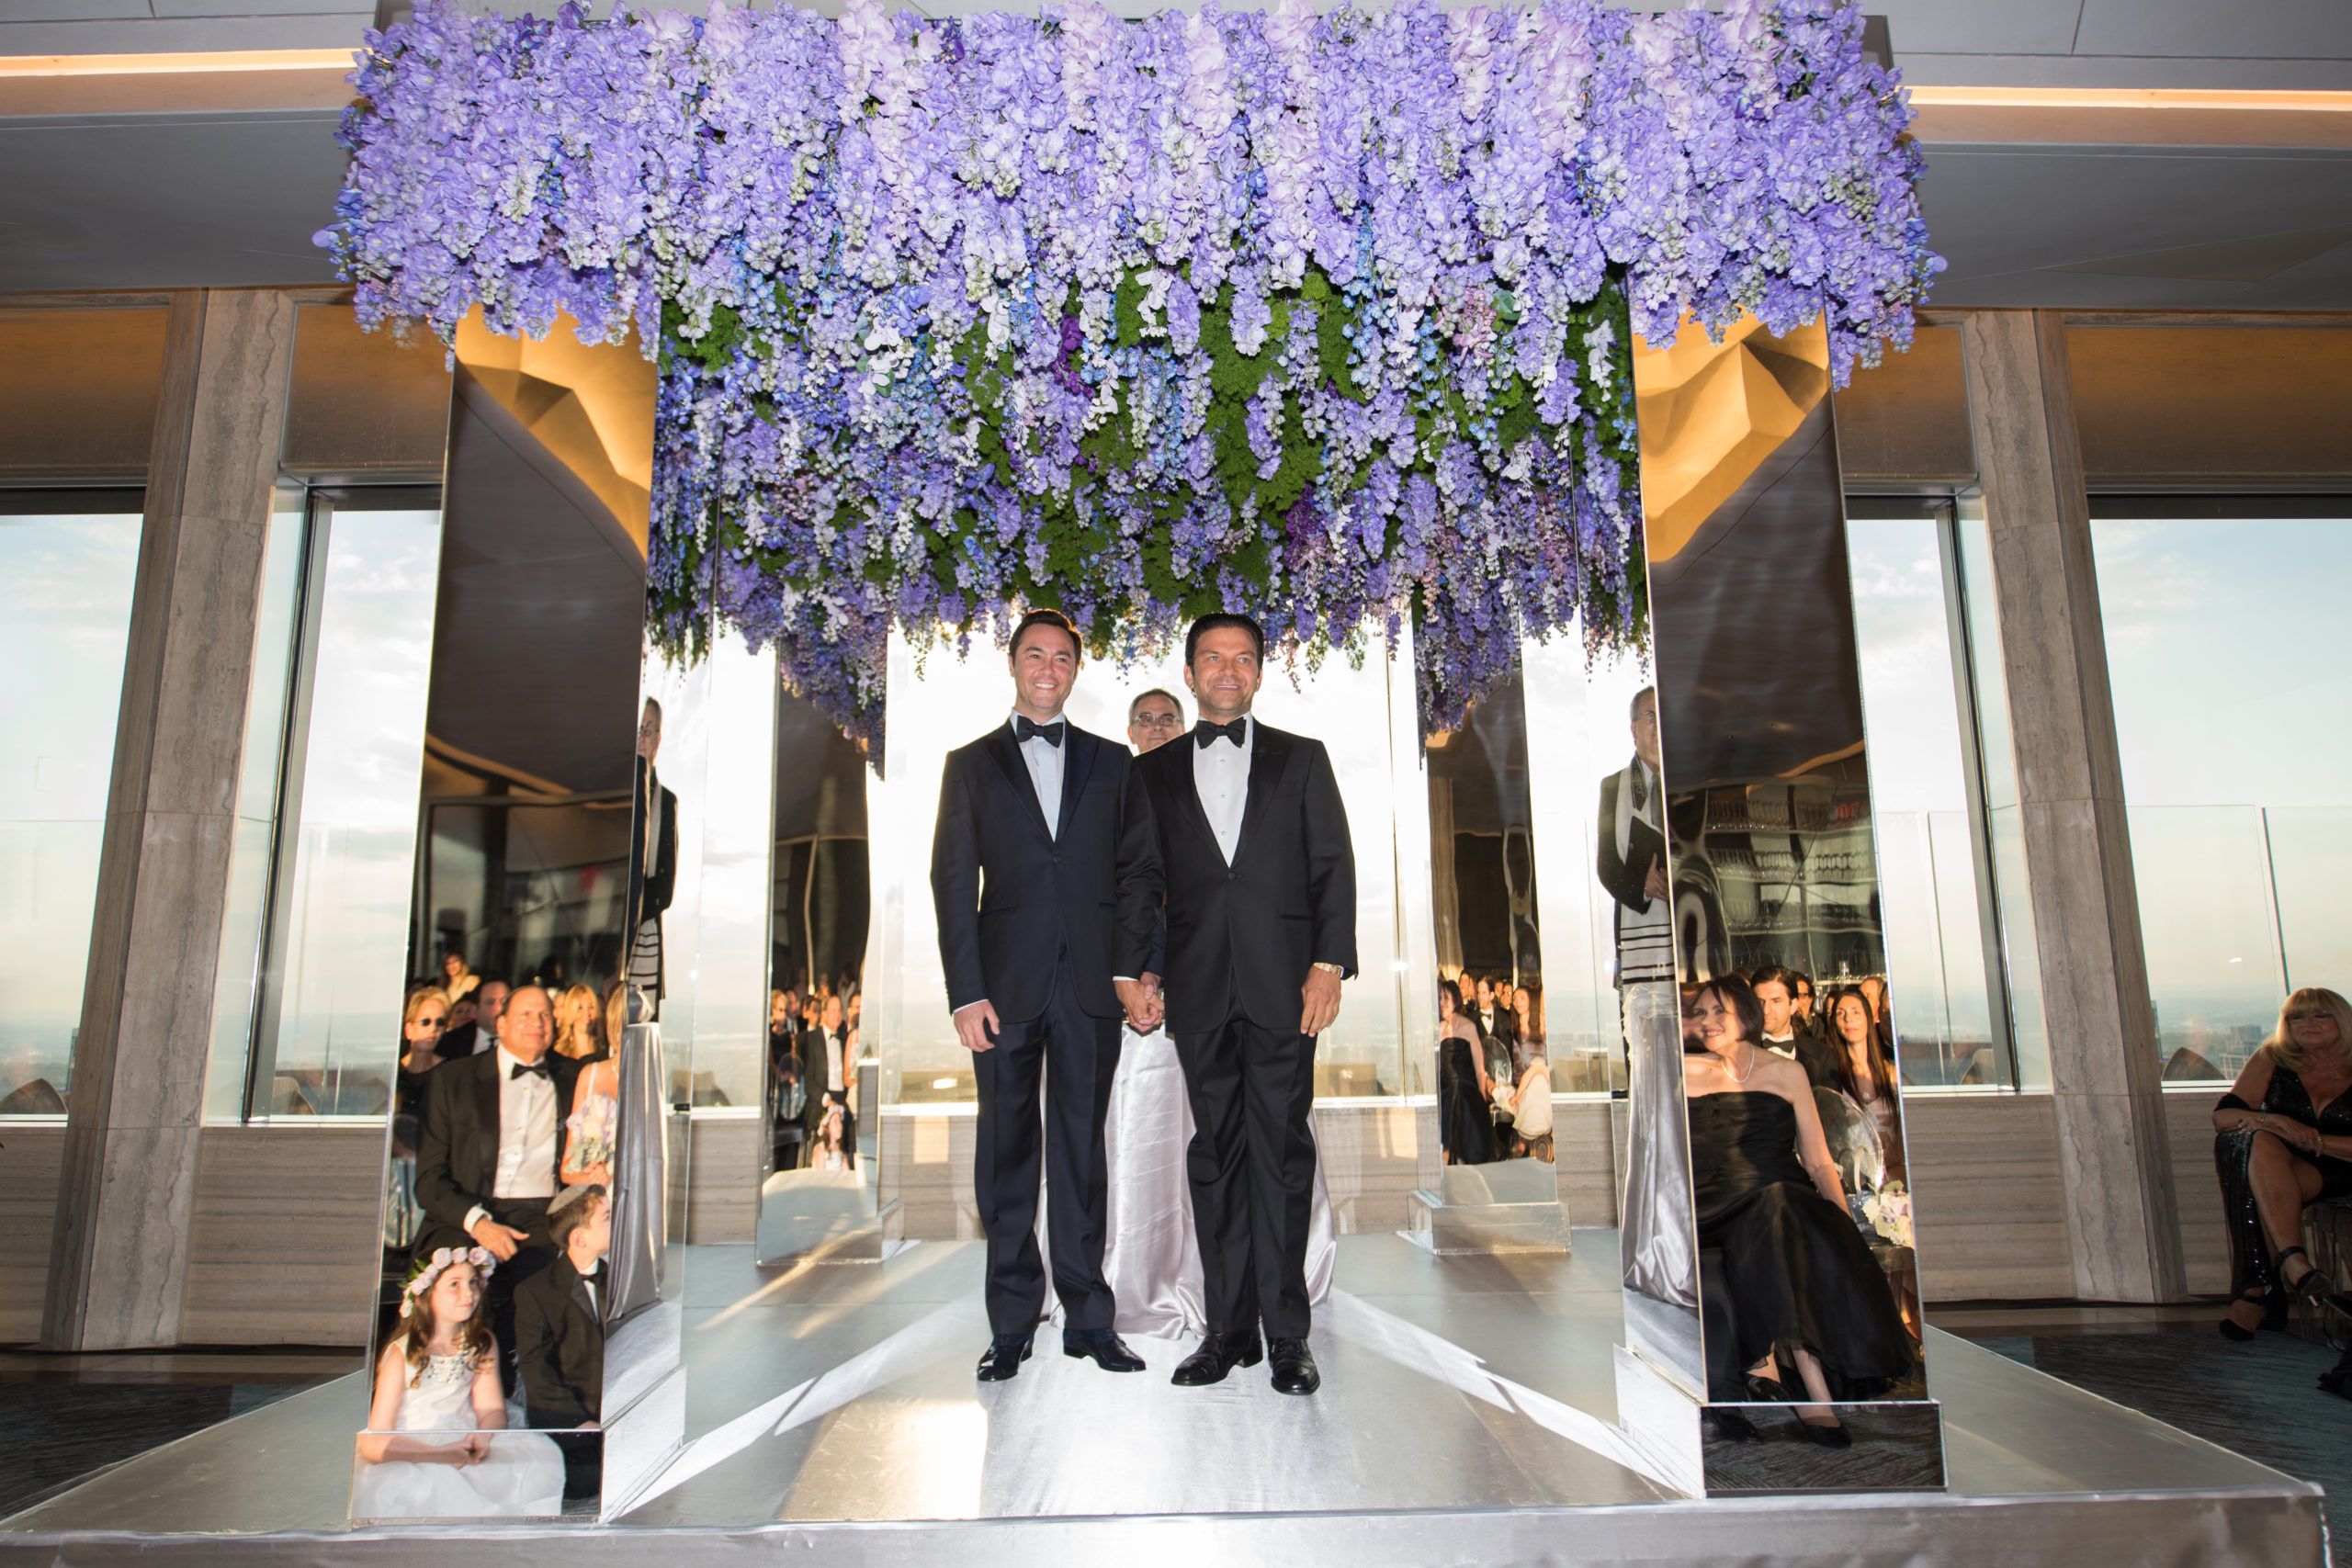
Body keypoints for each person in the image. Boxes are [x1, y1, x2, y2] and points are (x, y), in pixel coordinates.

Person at [1118, 612, 1358, 1397]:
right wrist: (1138, 970)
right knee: (1215, 1154)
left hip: (1287, 987)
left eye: (1243, 658)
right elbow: (1143, 883)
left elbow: (1333, 865)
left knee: (1281, 1155)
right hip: (1197, 988)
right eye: (1213, 658)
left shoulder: (1303, 757)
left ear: (1259, 671)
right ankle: (1227, 1329)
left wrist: (1328, 964)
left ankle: (1288, 1334)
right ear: (1190, 674)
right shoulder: (1151, 773)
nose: (1228, 670)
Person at [931, 607, 1151, 1382]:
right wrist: (965, 992)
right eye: (1035, 654)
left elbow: (1138, 874)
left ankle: (1090, 1318)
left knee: (1083, 1152)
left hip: (1092, 986)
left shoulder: (1113, 762)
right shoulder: (969, 764)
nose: (1048, 668)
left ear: (1075, 669)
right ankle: (1011, 1323)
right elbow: (952, 882)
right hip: (1003, 990)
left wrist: (1133, 969)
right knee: (1007, 1155)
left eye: (1062, 656)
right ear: (1013, 663)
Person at [1684, 975, 1915, 1445]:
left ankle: (1792, 1375)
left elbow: (1817, 1160)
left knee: (1784, 1209)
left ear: (1746, 1014)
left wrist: (1845, 1223)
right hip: (1713, 1204)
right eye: (1701, 1012)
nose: (1707, 1021)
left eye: (1718, 1010)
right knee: (1778, 1211)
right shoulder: (1683, 1071)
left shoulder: (1789, 1073)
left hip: (1781, 1197)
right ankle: (1808, 1389)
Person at [413, 984, 579, 1391]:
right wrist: (478, 1223)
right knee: (459, 1284)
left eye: (545, 1015)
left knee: (545, 1291)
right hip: (467, 1212)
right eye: (525, 1014)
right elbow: (429, 1181)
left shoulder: (575, 1078)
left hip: (543, 1215)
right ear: (500, 1024)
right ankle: (443, 1396)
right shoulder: (453, 1079)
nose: (537, 1023)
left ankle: (535, 1402)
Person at [353, 1247, 564, 1519]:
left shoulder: (481, 1343)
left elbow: (491, 1410)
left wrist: (484, 1436)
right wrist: (438, 1454)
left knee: (535, 1459)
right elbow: (374, 1441)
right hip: (413, 1448)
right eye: (454, 1284)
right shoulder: (401, 1354)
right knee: (436, 1489)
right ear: (427, 1294)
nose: (469, 1293)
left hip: (464, 1437)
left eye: (473, 1282)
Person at [2212, 987, 2352, 1339]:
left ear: (2343, 1020)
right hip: (2293, 1167)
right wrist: (2275, 1121)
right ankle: (2293, 1260)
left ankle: (2257, 1291)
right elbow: (2223, 1117)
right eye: (2296, 1017)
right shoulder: (2272, 1058)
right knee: (2250, 1140)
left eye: (2320, 1014)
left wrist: (2316, 1140)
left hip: (2346, 1166)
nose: (2307, 1023)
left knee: (2252, 1175)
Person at [514, 1183, 610, 1505]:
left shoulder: (621, 1280)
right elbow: (536, 1370)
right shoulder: (536, 1292)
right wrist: (582, 1424)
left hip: (620, 1419)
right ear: (579, 1238)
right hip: (571, 1430)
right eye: (607, 1217)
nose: (616, 1222)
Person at [1599, 688, 1674, 1062]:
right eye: (1650, 716)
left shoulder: (1686, 781)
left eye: (1664, 716)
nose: (1658, 725)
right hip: (1638, 942)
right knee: (1646, 1058)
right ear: (1633, 729)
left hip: (1686, 940)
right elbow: (1606, 864)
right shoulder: (1613, 786)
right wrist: (1642, 884)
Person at [626, 699, 679, 1014]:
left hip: (644, 930)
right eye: (637, 730)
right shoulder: (614, 789)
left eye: (647, 731)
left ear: (657, 739)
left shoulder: (666, 801)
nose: (641, 739)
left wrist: (631, 912)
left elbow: (665, 885)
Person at [1825, 987, 1903, 1180]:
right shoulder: (1831, 1076)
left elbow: (1910, 1123)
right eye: (1840, 1013)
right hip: (1854, 1178)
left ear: (1869, 1017)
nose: (1848, 1019)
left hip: (1896, 1175)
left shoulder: (1892, 1073)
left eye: (1856, 1012)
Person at [1437, 979, 1498, 1167]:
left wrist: (1482, 1099)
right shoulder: (1438, 1030)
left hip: (1466, 1091)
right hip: (1446, 1093)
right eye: (1440, 998)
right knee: (1453, 1092)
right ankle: (1448, 1156)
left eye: (1446, 998)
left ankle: (1456, 1157)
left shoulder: (1469, 1027)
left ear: (1455, 999)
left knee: (1459, 1092)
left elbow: (1479, 1069)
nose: (1442, 1002)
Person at [1752, 965, 1840, 1089]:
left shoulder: (1822, 1056)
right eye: (1760, 1001)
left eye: (1776, 1001)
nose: (1766, 1010)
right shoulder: (1740, 1055)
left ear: (1793, 1005)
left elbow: (1829, 1099)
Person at [399, 987, 451, 1123]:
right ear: (409, 1029)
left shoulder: (450, 1074)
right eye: (425, 1022)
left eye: (440, 1023)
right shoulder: (393, 1072)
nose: (433, 1029)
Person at [444, 977, 510, 1061]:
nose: (499, 1008)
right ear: (475, 1009)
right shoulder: (451, 1041)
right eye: (490, 1002)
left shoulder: (522, 1038)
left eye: (504, 1002)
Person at [551, 983, 603, 1063]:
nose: (586, 1014)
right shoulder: (558, 1055)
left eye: (591, 1007)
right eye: (580, 1008)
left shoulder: (605, 1052)